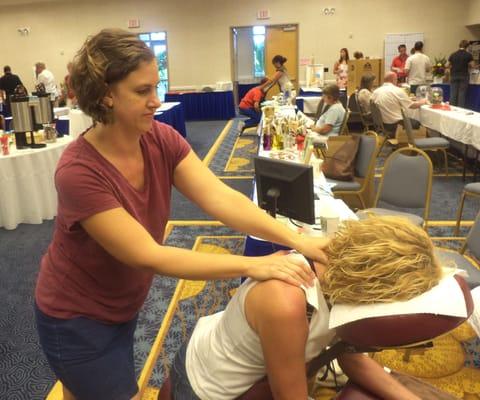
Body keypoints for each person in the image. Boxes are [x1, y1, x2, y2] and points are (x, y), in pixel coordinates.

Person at [34, 29, 328, 400]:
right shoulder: (79, 172)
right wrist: (252, 265)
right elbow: (149, 255)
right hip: (76, 315)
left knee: (87, 390)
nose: (156, 101)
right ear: (106, 95)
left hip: (122, 302)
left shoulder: (159, 138)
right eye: (142, 92)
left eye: (156, 87)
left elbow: (220, 198)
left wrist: (297, 240)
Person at [169, 216, 441, 400]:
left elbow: (353, 360)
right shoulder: (286, 302)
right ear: (377, 286)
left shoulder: (344, 281)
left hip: (243, 358)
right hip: (207, 387)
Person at [371, 72, 427, 137]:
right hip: (394, 125)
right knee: (418, 123)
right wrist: (423, 101)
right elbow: (412, 106)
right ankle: (411, 142)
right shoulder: (397, 90)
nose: (397, 81)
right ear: (393, 80)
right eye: (396, 79)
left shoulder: (375, 91)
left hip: (381, 124)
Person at [447, 40, 475, 108]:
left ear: (459, 45)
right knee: (461, 95)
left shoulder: (453, 54)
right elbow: (472, 65)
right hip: (464, 76)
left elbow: (447, 65)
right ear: (467, 47)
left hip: (454, 75)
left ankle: (452, 109)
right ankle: (460, 111)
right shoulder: (468, 55)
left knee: (453, 94)